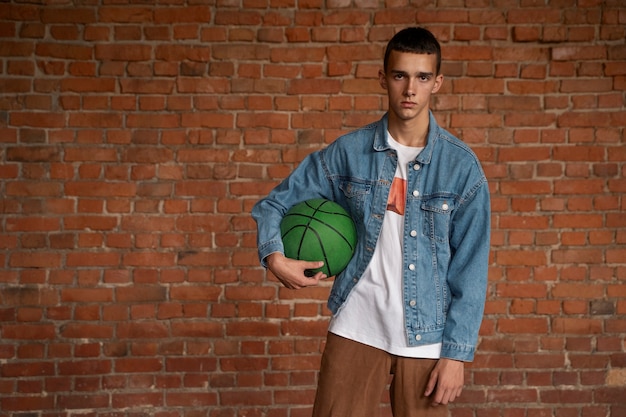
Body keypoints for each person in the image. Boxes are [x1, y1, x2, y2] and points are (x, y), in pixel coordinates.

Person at [251, 27, 490, 417]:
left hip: (426, 339)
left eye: (422, 77)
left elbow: (471, 270)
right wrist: (275, 258)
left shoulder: (462, 169)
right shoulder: (348, 153)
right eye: (400, 75)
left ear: (437, 83)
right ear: (383, 78)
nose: (410, 89)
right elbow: (273, 204)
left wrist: (457, 354)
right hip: (356, 327)